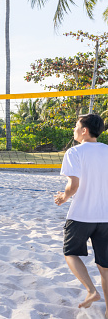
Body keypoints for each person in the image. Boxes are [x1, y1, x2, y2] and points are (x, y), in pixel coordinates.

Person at [54, 114, 108, 315]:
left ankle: (92, 291)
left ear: (84, 130)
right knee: (105, 268)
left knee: (70, 253)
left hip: (81, 215)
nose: (74, 129)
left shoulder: (74, 152)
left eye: (76, 126)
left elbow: (73, 185)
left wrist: (64, 197)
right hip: (106, 217)